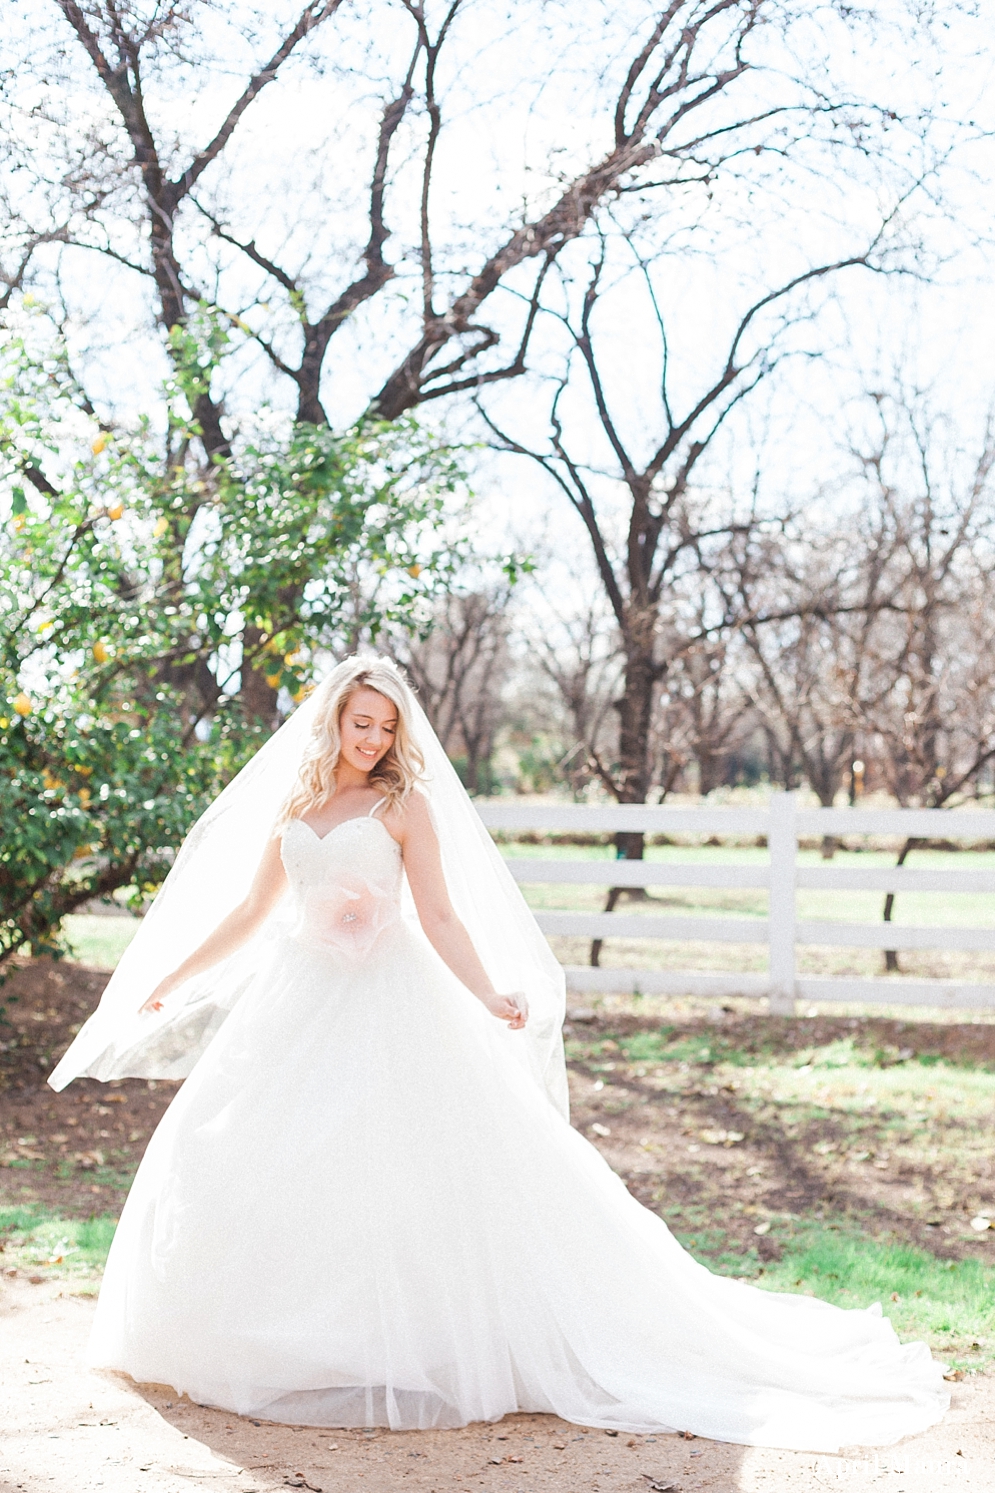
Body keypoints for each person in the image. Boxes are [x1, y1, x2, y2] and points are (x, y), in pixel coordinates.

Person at [50, 656, 948, 1449]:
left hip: (388, 995)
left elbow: (438, 912)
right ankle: (283, 1336)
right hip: (296, 995)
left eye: (385, 726)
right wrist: (168, 975)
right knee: (244, 1149)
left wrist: (485, 992)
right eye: (358, 721)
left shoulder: (405, 805)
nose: (370, 738)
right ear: (330, 718)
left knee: (412, 1162)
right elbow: (251, 913)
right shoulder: (294, 805)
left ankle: (415, 1342)